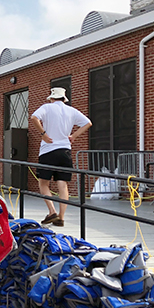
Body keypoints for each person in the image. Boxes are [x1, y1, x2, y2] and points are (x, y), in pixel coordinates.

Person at [30, 86, 92, 227]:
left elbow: (34, 117)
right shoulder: (71, 111)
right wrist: (73, 136)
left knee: (43, 183)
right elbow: (88, 123)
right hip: (65, 151)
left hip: (47, 150)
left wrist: (43, 134)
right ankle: (61, 217)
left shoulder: (47, 107)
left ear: (51, 98)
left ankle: (51, 211)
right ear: (64, 99)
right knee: (62, 184)